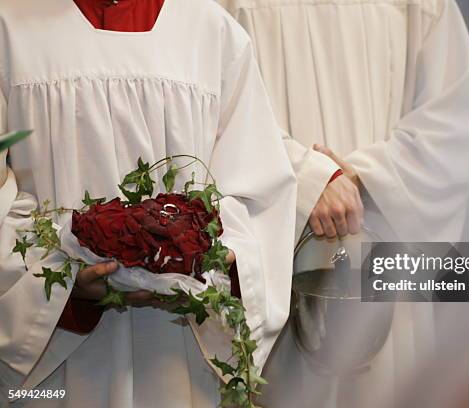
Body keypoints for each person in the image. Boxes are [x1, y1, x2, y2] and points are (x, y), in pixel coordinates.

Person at [0, 0, 296, 407]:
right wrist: (62, 284)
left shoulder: (212, 32)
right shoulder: (9, 26)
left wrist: (214, 257)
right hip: (59, 360)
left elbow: (259, 192)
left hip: (178, 350)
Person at [219, 0, 469, 406]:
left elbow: (451, 124)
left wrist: (360, 177)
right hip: (276, 261)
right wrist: (307, 176)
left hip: (382, 255)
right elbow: (213, 105)